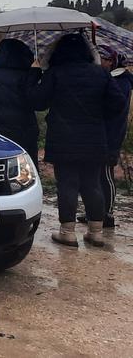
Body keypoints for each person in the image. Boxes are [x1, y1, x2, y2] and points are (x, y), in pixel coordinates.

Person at [30, 33, 124, 247]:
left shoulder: (56, 73)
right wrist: (99, 114)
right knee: (92, 184)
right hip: (94, 137)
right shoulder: (101, 74)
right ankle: (96, 232)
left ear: (59, 52)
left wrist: (35, 73)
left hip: (64, 138)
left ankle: (68, 232)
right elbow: (118, 104)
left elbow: (38, 101)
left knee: (67, 183)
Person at [0, 38, 41, 158]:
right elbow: (35, 102)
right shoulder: (24, 76)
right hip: (21, 130)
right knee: (24, 165)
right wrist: (35, 73)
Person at [98, 45, 133, 228]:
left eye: (104, 58)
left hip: (111, 134)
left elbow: (114, 107)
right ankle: (96, 212)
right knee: (97, 174)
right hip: (102, 132)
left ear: (113, 61)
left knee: (106, 174)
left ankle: (108, 214)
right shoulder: (112, 79)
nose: (101, 61)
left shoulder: (121, 82)